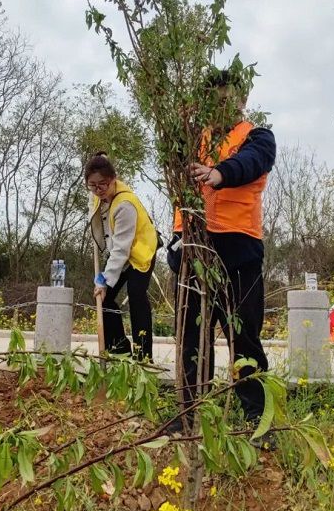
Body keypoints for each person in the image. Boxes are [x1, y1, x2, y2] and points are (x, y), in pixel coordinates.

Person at [172, 68, 276, 433]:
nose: (219, 108)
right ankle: (188, 414)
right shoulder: (191, 139)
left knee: (243, 334)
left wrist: (218, 173)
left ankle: (254, 418)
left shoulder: (257, 137)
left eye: (226, 100)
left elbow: (251, 164)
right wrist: (177, 239)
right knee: (191, 337)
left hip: (239, 248)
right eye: (211, 102)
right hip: (195, 248)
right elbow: (181, 191)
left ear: (241, 99)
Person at [88, 153, 159, 361]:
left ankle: (143, 356)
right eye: (93, 185)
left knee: (137, 298)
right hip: (122, 252)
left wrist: (105, 279)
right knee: (105, 298)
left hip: (141, 252)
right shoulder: (98, 195)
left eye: (103, 184)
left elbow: (121, 249)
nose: (98, 190)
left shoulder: (125, 204)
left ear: (113, 179)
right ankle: (119, 350)